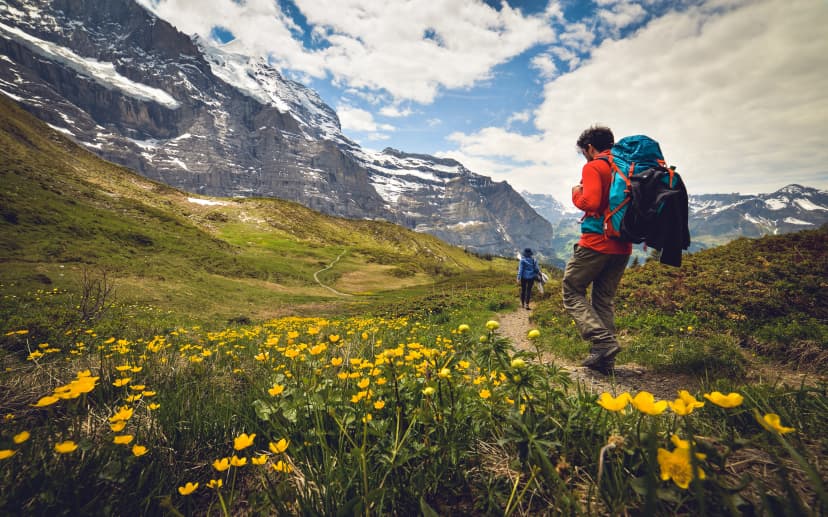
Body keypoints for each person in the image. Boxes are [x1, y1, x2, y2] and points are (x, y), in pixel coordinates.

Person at [562, 126, 632, 374]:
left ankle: (602, 341)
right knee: (603, 299)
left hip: (596, 242)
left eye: (584, 152)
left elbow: (590, 202)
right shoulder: (626, 167)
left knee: (571, 289)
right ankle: (605, 362)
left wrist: (575, 194)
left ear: (590, 148)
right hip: (623, 245)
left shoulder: (594, 166)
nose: (585, 156)